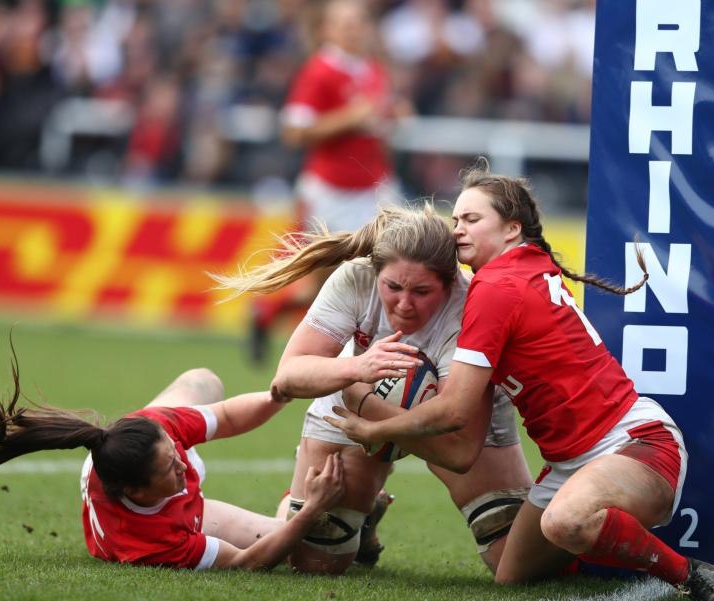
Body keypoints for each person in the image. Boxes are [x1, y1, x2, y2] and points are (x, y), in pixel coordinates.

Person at [326, 163, 714, 601]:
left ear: (511, 229)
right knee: (512, 574)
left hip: (634, 443)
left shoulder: (497, 287)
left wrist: (376, 429)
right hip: (571, 463)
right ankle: (599, 543)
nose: (457, 231)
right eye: (455, 220)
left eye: (471, 219)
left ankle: (691, 575)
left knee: (566, 522)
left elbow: (453, 411)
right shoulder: (523, 266)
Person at [213, 204, 533, 575]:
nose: (404, 303)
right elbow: (286, 377)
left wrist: (370, 412)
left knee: (515, 562)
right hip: (353, 390)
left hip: (441, 417)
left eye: (422, 291)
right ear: (376, 273)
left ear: (449, 283)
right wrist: (357, 368)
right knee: (316, 562)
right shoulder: (355, 277)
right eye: (393, 286)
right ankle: (338, 508)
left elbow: (459, 451)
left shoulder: (473, 307)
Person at [0, 357, 344, 571]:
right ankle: (293, 493)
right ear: (137, 493)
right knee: (303, 548)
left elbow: (230, 416)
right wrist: (309, 510)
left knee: (202, 379)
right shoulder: (152, 538)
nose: (184, 466)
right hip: (167, 507)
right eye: (170, 469)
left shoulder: (154, 432)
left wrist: (281, 394)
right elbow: (246, 563)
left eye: (176, 454)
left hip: (141, 440)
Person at [249, 0, 410, 363]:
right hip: (332, 191)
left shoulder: (371, 69)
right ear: (326, 30)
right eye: (344, 23)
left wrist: (393, 115)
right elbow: (294, 131)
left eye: (358, 22)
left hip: (374, 188)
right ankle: (273, 318)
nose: (353, 29)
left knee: (377, 268)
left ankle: (358, 349)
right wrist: (350, 117)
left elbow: (377, 119)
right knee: (328, 279)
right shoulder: (318, 71)